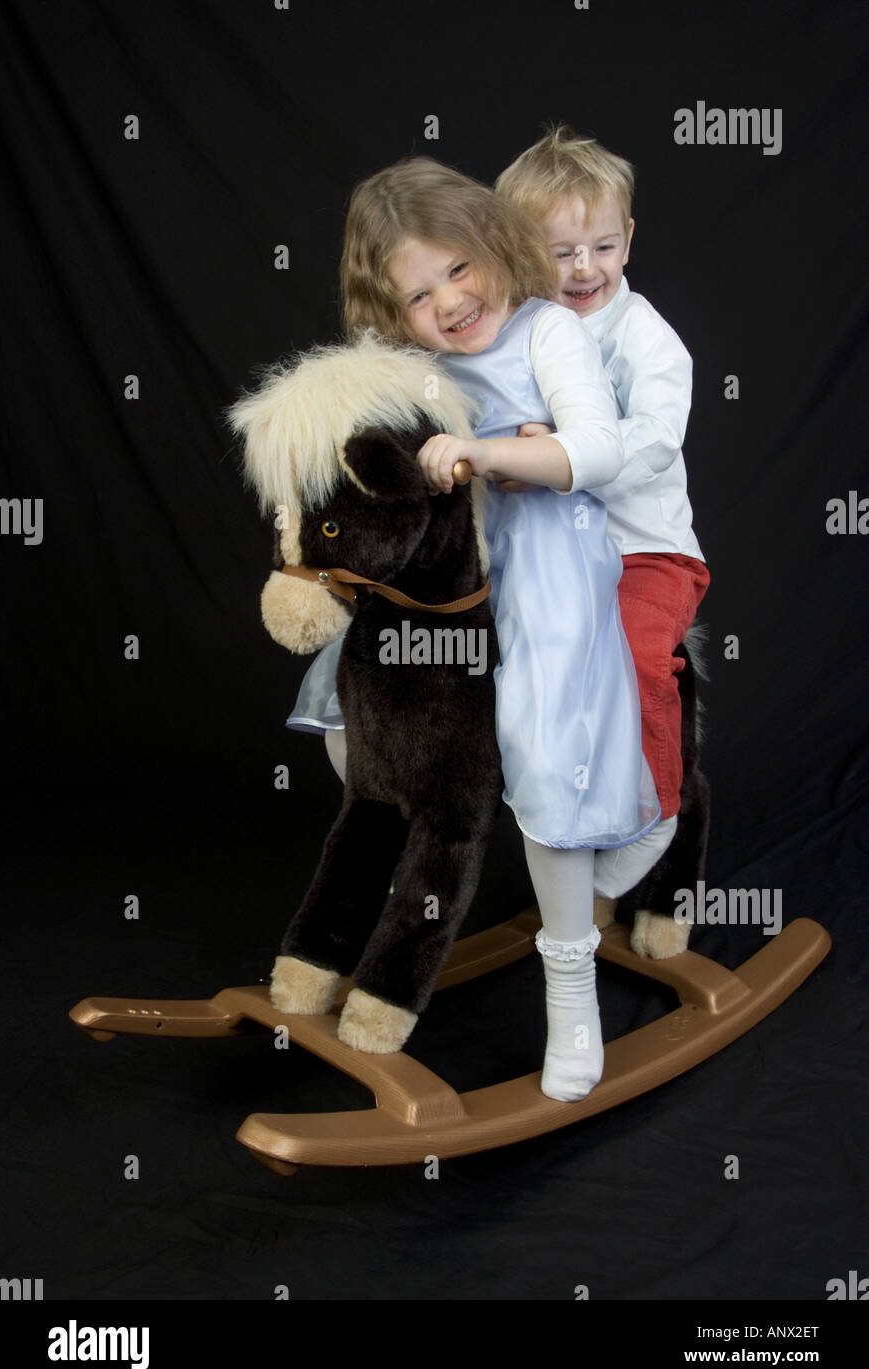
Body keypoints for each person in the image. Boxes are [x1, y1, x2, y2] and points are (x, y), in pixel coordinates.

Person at [289, 155, 661, 1102]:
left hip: (540, 569)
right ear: (390, 313)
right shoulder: (407, 369)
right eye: (418, 295)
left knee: (544, 763)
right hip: (446, 585)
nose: (450, 302)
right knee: (349, 724)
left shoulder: (547, 334)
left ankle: (569, 989)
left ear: (493, 247)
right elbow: (355, 469)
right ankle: (363, 929)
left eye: (458, 269)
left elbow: (605, 445)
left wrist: (490, 450)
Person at [494, 127, 710, 902]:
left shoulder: (644, 338)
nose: (584, 268)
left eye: (604, 246)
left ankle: (655, 810)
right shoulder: (515, 328)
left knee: (635, 658)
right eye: (559, 252)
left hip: (642, 549)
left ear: (628, 240)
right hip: (549, 550)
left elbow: (652, 441)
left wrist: (559, 457)